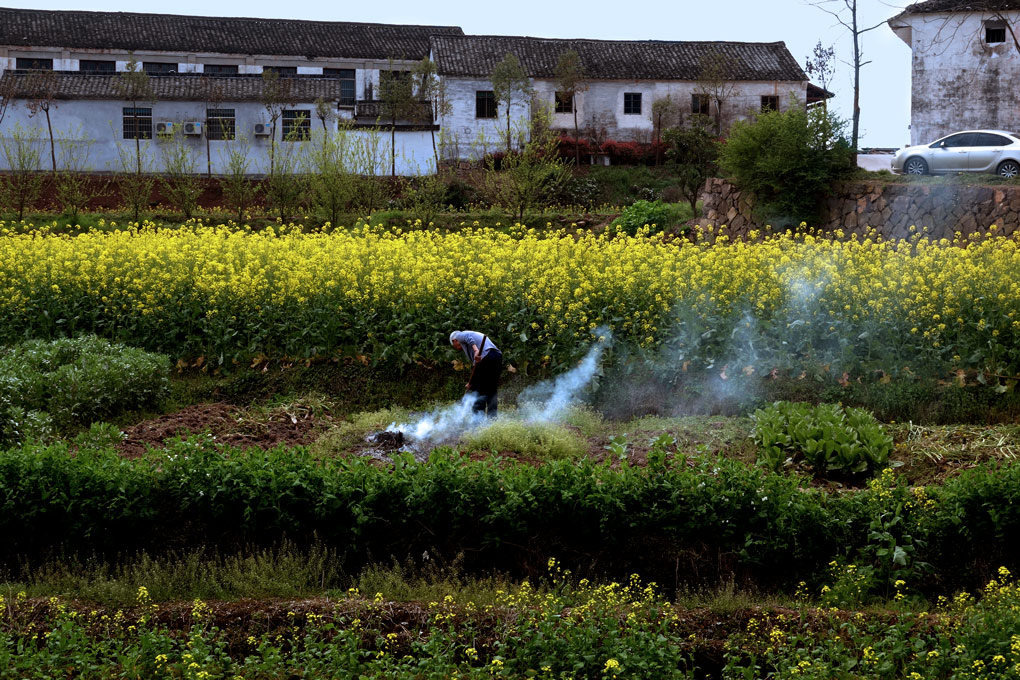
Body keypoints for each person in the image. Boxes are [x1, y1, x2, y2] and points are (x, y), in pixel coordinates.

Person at [449, 330, 502, 418]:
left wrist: (476, 350)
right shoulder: (470, 342)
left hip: (486, 357)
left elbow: (468, 337)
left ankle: (477, 421)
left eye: (454, 346)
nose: (456, 348)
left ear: (454, 341)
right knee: (491, 389)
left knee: (478, 389)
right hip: (496, 357)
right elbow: (476, 366)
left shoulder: (459, 335)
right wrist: (471, 382)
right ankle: (492, 419)